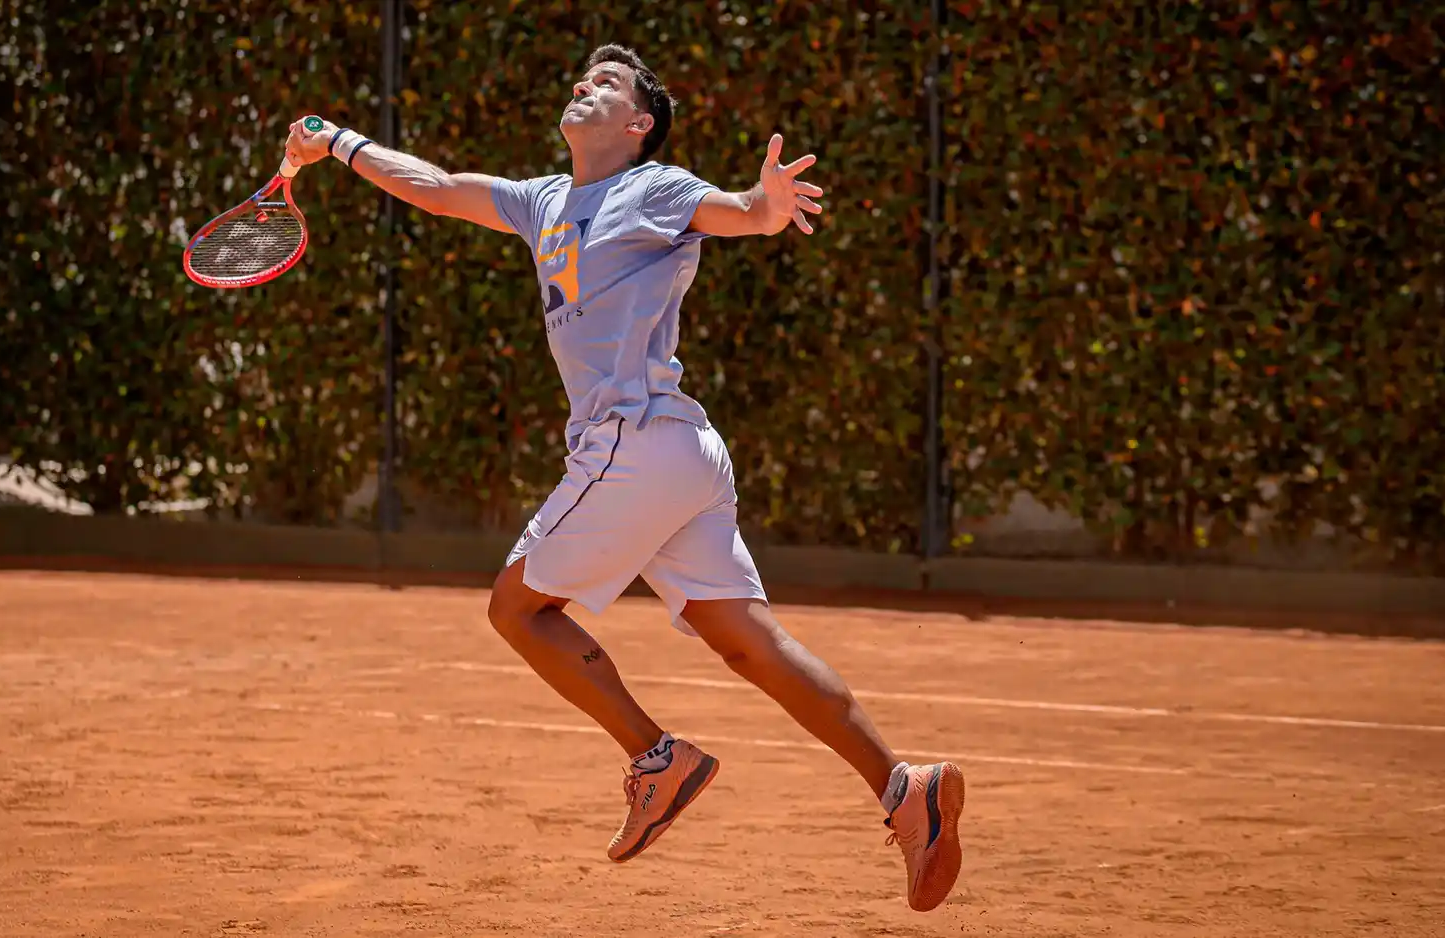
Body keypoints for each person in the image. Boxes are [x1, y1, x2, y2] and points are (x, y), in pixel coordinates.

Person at [285, 44, 964, 912]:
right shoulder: (541, 202)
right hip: (681, 453)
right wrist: (335, 140)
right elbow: (434, 183)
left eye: (607, 84)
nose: (584, 85)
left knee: (516, 609)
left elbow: (742, 212)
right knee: (747, 642)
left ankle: (656, 757)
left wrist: (767, 207)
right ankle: (905, 788)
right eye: (582, 77)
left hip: (633, 441)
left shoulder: (658, 187)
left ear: (639, 124)